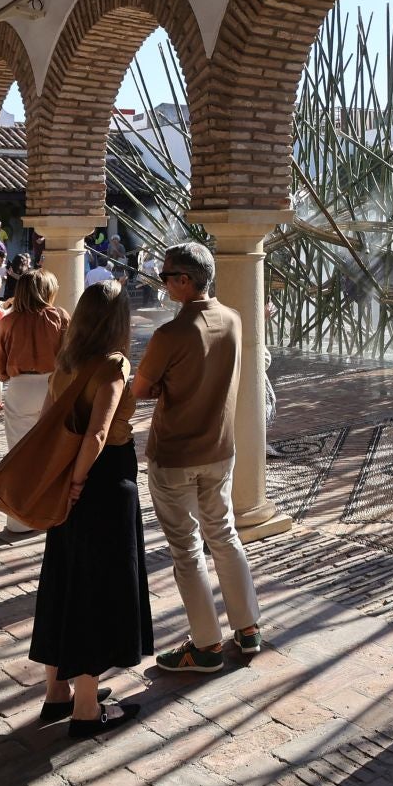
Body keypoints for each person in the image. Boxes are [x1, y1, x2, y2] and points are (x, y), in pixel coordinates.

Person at [135, 242, 263, 672]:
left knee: (187, 548)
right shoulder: (233, 320)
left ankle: (205, 646)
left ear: (186, 280)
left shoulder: (169, 334)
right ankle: (247, 629)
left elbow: (139, 389)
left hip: (174, 454)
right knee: (224, 534)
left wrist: (159, 385)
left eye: (168, 275)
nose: (163, 282)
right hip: (219, 449)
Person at [29, 281, 148, 737]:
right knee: (97, 588)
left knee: (64, 578)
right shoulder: (113, 365)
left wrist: (63, 481)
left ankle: (58, 693)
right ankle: (85, 709)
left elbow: (46, 423)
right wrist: (79, 482)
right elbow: (98, 435)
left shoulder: (66, 363)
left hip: (68, 481)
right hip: (101, 480)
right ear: (119, 320)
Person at [0, 269, 69, 535]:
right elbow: (71, 356)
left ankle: (20, 520)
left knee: (19, 454)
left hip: (20, 387)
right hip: (54, 385)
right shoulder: (59, 317)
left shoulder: (8, 322)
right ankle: (54, 513)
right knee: (55, 452)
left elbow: (0, 365)